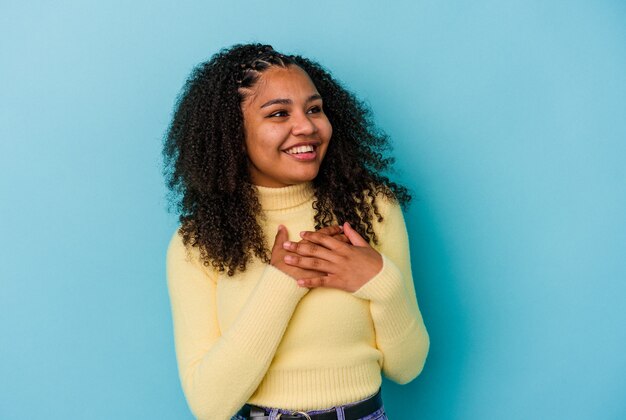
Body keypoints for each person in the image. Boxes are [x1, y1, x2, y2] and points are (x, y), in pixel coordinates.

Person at [162, 43, 429, 420]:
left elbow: (408, 367)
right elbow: (209, 405)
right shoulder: (197, 244)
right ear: (231, 133)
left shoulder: (373, 208)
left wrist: (380, 280)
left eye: (314, 109)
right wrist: (283, 282)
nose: (306, 126)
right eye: (278, 113)